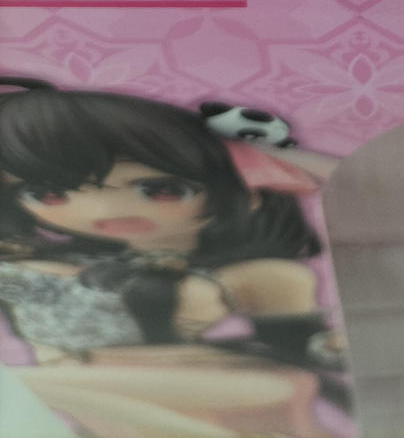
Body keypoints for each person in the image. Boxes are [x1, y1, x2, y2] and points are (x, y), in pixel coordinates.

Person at [0, 77, 355, 438]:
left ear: (240, 192)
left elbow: (298, 350)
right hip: (94, 399)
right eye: (50, 194)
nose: (104, 209)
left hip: (214, 385)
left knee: (280, 383)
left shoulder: (262, 275)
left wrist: (267, 151)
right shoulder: (31, 266)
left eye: (161, 189)